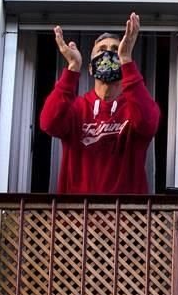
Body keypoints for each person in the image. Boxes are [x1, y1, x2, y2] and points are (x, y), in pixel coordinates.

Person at [40, 12, 161, 194]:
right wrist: (72, 68)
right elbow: (48, 123)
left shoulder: (134, 107)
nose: (108, 54)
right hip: (77, 217)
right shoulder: (76, 108)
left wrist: (126, 60)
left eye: (114, 50)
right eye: (102, 50)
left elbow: (148, 123)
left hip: (127, 219)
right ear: (90, 68)